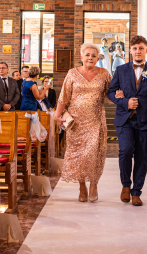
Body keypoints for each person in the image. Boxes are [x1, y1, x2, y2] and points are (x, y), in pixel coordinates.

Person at [107, 35, 147, 206]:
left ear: (146, 50)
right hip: (125, 119)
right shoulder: (121, 70)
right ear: (130, 51)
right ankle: (126, 185)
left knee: (142, 156)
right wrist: (125, 102)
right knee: (125, 151)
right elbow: (111, 92)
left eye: (141, 48)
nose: (138, 51)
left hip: (146, 120)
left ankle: (136, 192)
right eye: (134, 48)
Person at [54, 43, 112, 203]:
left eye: (94, 55)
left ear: (98, 58)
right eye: (87, 55)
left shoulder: (104, 74)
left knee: (94, 154)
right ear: (81, 57)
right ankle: (82, 186)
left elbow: (111, 95)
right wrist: (57, 115)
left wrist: (120, 96)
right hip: (76, 123)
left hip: (96, 120)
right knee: (79, 155)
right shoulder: (72, 73)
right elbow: (64, 96)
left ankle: (93, 185)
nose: (90, 58)